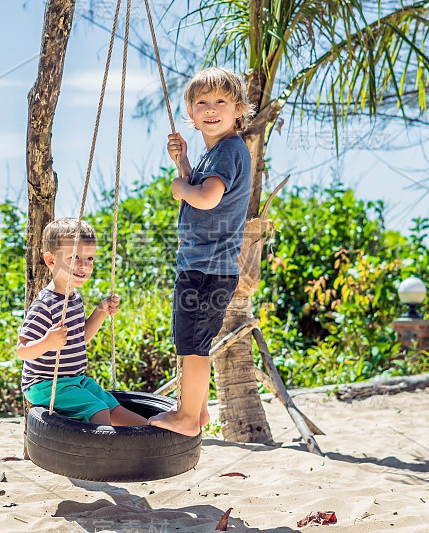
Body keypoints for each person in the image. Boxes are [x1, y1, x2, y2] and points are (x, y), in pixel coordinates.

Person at [149, 66, 254, 436]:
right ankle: (198, 410)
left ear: (238, 109)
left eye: (221, 101)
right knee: (192, 340)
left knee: (193, 345)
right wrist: (183, 165)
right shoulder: (219, 153)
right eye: (201, 102)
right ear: (191, 114)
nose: (211, 108)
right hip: (209, 266)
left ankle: (189, 417)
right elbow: (204, 185)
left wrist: (180, 188)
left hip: (206, 269)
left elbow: (207, 198)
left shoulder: (227, 151)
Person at [17, 217, 148, 426]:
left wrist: (101, 311)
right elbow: (22, 350)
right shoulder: (45, 304)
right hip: (46, 385)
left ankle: (148, 430)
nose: (84, 265)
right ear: (50, 261)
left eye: (90, 259)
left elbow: (81, 337)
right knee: (97, 410)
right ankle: (105, 448)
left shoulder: (75, 297)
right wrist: (47, 343)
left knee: (110, 404)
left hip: (74, 380)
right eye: (74, 257)